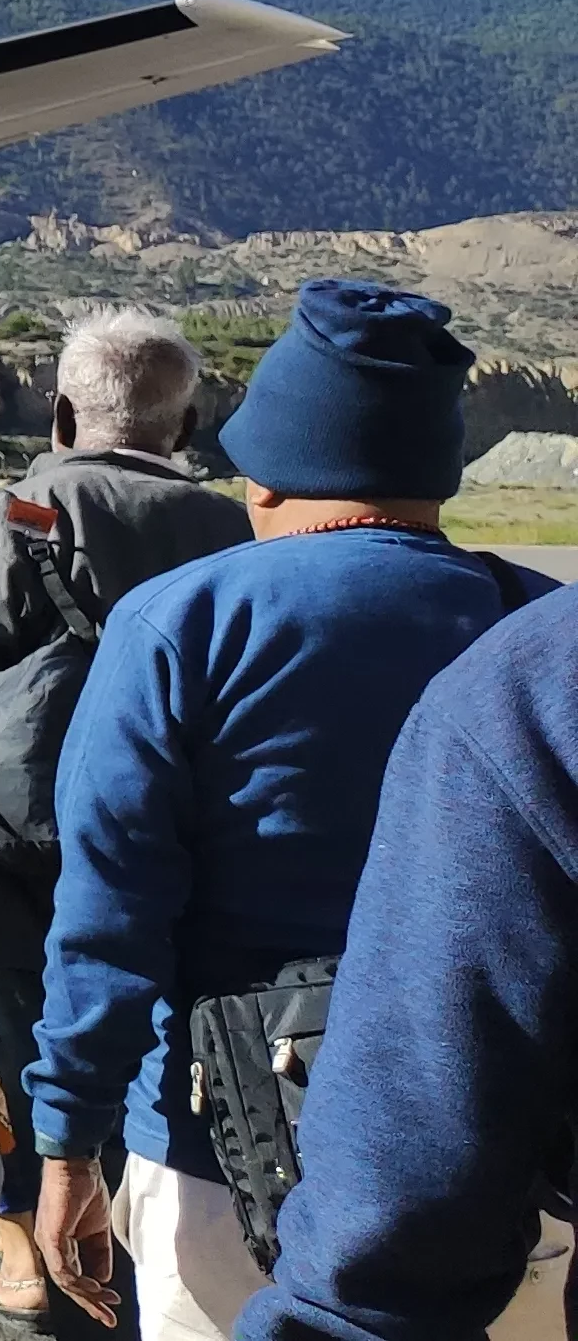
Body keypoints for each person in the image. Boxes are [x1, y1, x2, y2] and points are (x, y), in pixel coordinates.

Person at [25, 283, 551, 1337]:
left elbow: (110, 916)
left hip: (224, 1154)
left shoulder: (180, 623)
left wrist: (64, 1141)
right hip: (505, 1161)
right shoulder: (537, 625)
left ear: (261, 472)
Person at [0, 310, 252, 1322]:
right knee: (172, 1092)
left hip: (15, 876)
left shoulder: (4, 521)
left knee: (41, 1074)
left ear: (56, 414)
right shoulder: (229, 530)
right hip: (180, 869)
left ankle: (68, 1280)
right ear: (182, 426)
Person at [236, 571, 578, 1341]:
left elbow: (405, 1194)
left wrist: (67, 1130)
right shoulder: (522, 601)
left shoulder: (535, 674)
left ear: (261, 486)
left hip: (259, 1098)